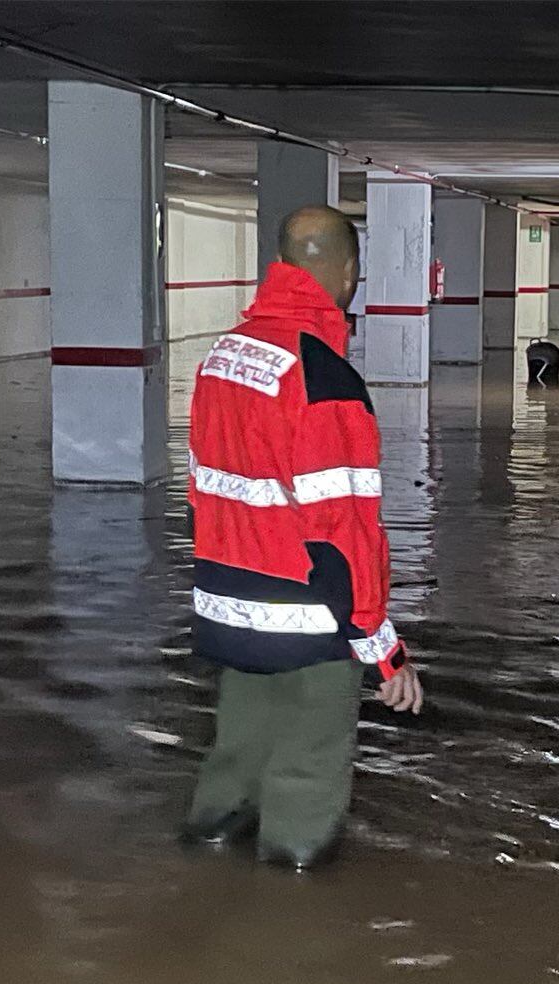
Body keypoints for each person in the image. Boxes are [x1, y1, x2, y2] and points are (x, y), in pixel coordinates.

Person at [180, 205, 422, 869]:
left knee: (239, 749)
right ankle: (286, 923)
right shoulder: (322, 376)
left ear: (280, 266)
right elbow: (342, 531)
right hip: (305, 618)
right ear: (346, 276)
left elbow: (203, 486)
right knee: (306, 777)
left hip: (227, 608)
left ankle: (198, 863)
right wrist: (382, 650)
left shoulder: (222, 356)